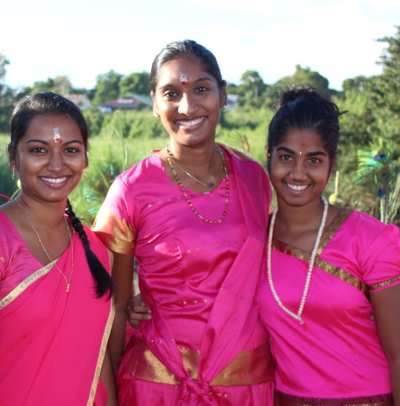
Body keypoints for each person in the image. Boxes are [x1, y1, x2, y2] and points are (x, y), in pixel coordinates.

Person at [92, 40, 274, 405]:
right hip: (157, 385)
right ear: (155, 105)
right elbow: (113, 303)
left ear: (222, 95)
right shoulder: (132, 189)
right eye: (171, 93)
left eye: (202, 89)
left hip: (247, 384)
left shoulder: (254, 179)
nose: (188, 107)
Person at [0, 92, 117, 406]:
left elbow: (97, 361)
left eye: (71, 150)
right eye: (39, 150)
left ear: (85, 157)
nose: (56, 164)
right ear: (13, 157)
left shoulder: (95, 249)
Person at [259, 87, 400, 405]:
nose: (298, 172)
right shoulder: (255, 239)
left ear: (332, 163)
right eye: (286, 157)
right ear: (269, 155)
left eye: (314, 160)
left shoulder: (370, 240)